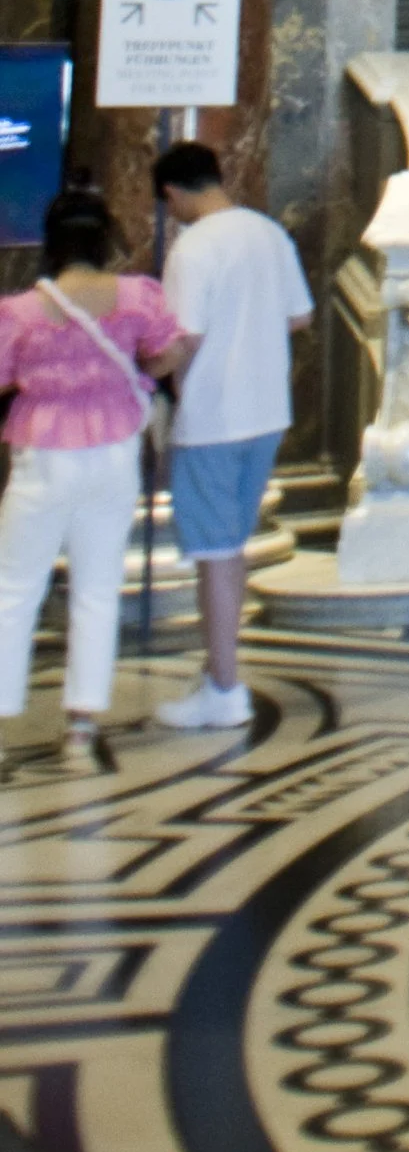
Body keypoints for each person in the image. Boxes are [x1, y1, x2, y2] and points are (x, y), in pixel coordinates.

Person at [0, 176, 188, 766]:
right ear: (105, 238)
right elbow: (167, 353)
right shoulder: (138, 295)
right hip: (113, 453)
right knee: (97, 588)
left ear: (51, 244)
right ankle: (81, 726)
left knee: (14, 590)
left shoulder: (21, 311)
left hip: (43, 455)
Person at [150, 142, 314, 732]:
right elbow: (299, 317)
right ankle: (221, 669)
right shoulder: (268, 232)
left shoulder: (193, 248)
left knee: (215, 556)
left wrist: (137, 369)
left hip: (214, 417)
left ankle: (223, 688)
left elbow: (182, 339)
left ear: (172, 193)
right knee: (232, 548)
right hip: (268, 412)